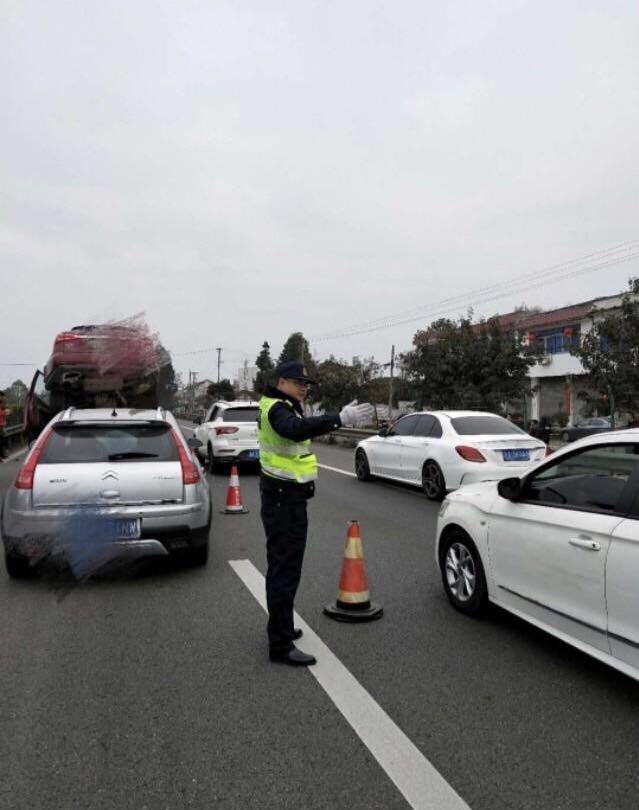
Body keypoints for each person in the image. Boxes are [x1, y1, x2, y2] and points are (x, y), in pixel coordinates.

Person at [258, 361, 373, 667]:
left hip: (286, 498)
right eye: (299, 382)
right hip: (283, 501)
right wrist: (338, 418)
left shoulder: (284, 405)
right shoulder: (277, 408)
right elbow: (295, 431)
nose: (304, 388)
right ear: (282, 381)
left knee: (284, 568)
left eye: (306, 384)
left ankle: (280, 628)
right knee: (285, 570)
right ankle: (280, 645)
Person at [0, 391, 11, 460]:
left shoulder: (2, 404)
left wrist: (6, 412)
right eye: (1, 396)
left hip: (1, 425)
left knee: (2, 440)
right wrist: (5, 412)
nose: (2, 397)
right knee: (1, 441)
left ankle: (2, 454)